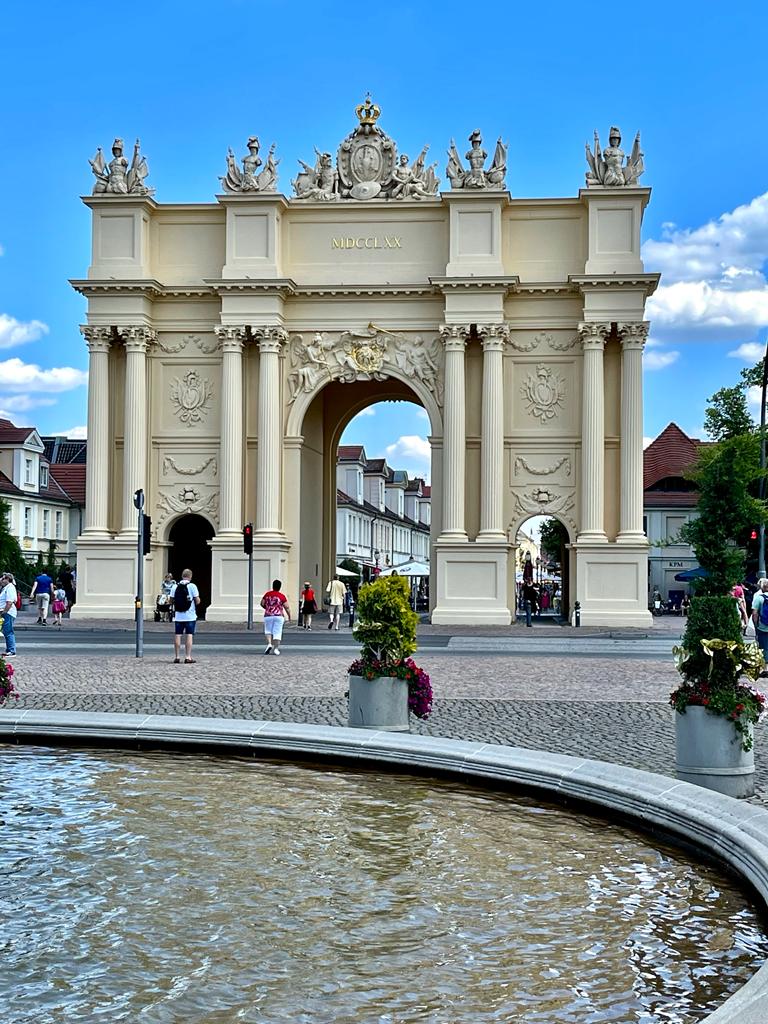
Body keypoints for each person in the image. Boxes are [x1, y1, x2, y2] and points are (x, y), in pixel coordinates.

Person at [170, 569, 201, 664]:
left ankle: (177, 656)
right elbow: (197, 600)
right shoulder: (192, 586)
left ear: (182, 575)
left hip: (178, 616)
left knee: (177, 635)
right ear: (190, 576)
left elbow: (171, 600)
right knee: (189, 635)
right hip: (190, 616)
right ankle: (188, 657)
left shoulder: (175, 586)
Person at [261, 579, 290, 655]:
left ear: (273, 586)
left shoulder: (267, 594)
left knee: (268, 631)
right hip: (278, 616)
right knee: (277, 632)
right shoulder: (281, 596)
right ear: (280, 587)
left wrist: (267, 608)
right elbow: (287, 607)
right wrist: (289, 616)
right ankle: (276, 649)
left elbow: (262, 603)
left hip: (268, 615)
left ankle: (269, 644)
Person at [751, 579, 768, 677]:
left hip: (763, 627)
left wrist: (756, 625)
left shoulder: (759, 598)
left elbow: (754, 614)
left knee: (764, 648)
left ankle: (765, 669)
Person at [0, 572, 18, 657]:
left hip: (8, 612)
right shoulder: (5, 588)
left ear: (8, 579)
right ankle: (9, 650)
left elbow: (9, 602)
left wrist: (4, 612)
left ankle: (11, 651)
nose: (1, 580)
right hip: (6, 612)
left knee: (8, 631)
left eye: (3, 578)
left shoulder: (10, 587)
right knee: (6, 631)